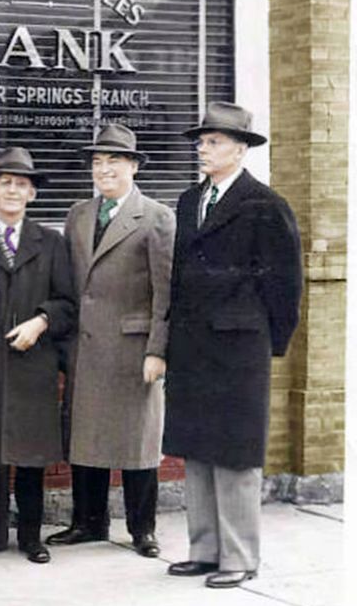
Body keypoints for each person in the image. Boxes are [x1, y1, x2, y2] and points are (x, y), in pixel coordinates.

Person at [162, 102, 302, 589]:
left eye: (214, 142)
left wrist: (268, 343)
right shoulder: (187, 201)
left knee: (236, 454)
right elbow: (178, 278)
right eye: (201, 142)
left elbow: (285, 285)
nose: (203, 149)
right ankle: (205, 551)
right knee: (197, 448)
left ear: (240, 150)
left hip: (241, 350)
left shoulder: (265, 205)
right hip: (193, 346)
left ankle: (239, 557)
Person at [49, 124, 175, 559]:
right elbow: (69, 285)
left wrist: (158, 350)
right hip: (85, 346)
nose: (104, 170)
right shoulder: (78, 214)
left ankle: (142, 529)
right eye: (98, 162)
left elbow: (166, 292)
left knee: (138, 443)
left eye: (114, 161)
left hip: (133, 348)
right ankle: (88, 522)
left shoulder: (156, 216)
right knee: (88, 438)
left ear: (134, 166)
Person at [0, 147, 76, 565]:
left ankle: (31, 536)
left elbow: (67, 302)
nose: (13, 190)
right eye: (5, 183)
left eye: (22, 185)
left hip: (35, 361)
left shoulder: (50, 242)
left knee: (31, 453)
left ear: (32, 194)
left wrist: (41, 321)